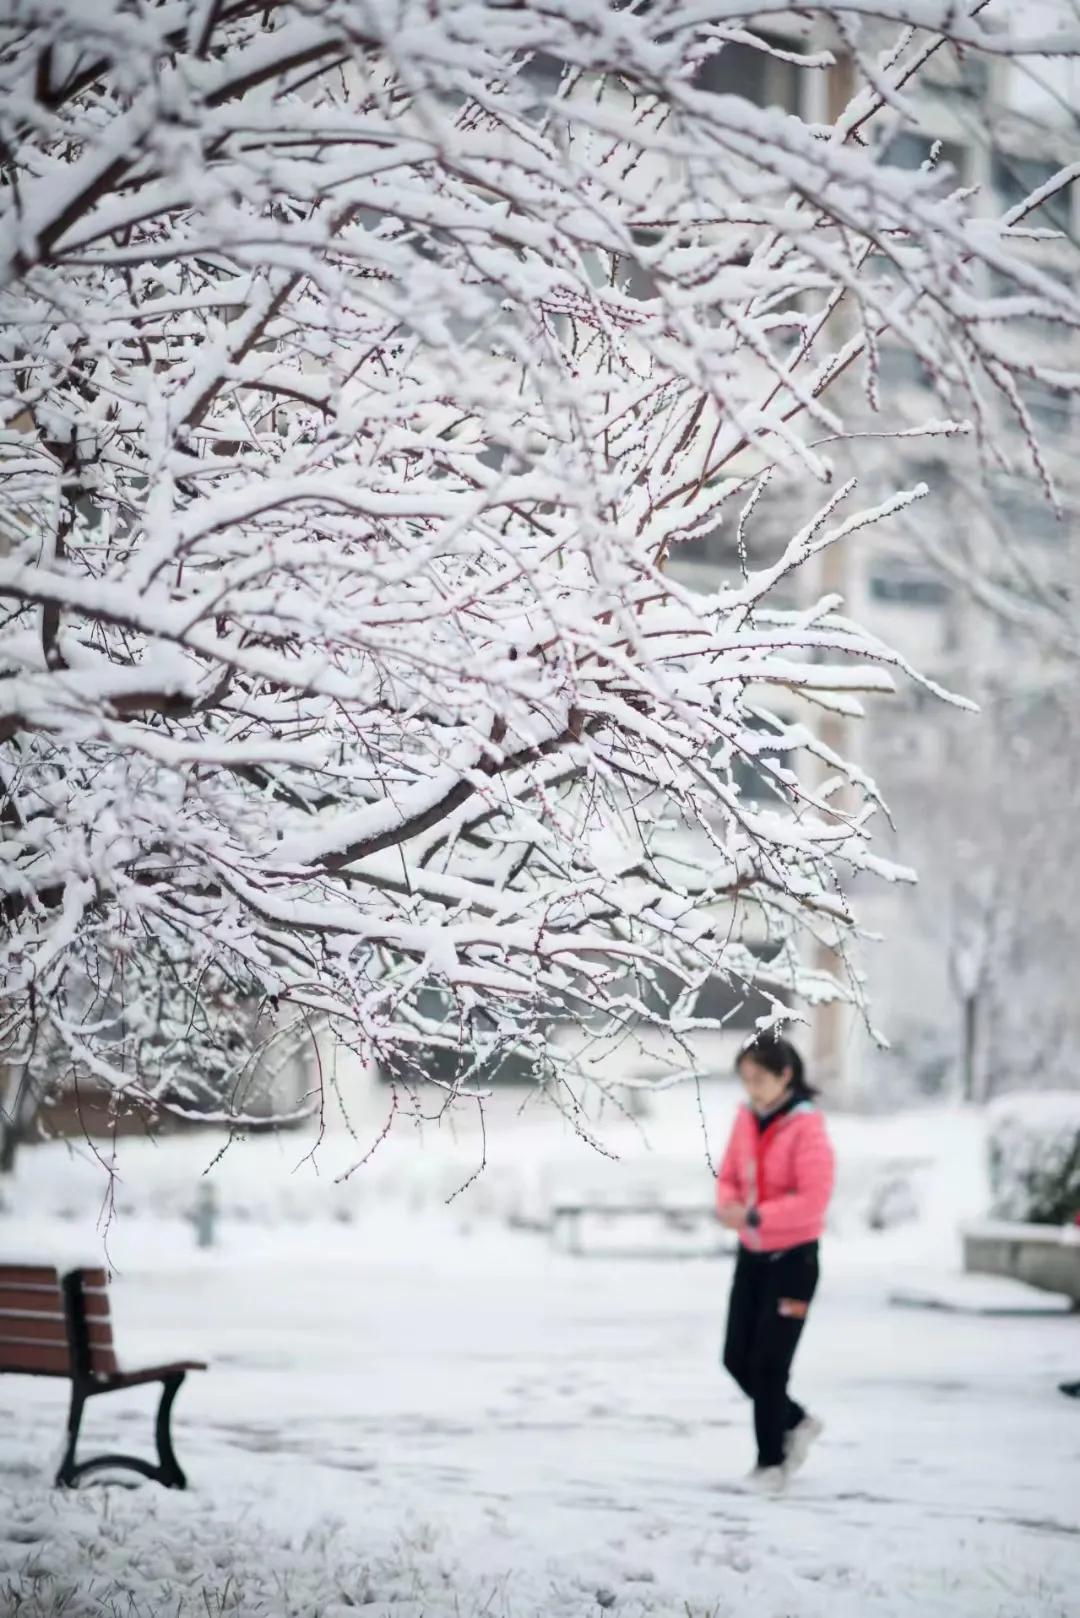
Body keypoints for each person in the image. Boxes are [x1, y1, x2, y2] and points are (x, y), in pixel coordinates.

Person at [716, 1032, 835, 1495]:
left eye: (759, 1078)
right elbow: (728, 1176)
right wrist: (729, 1206)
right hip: (753, 1253)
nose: (751, 1088)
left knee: (768, 1366)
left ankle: (771, 1463)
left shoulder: (808, 1127)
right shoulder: (746, 1119)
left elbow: (813, 1200)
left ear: (785, 1075)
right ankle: (797, 1420)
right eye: (745, 1079)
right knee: (735, 1358)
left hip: (794, 1260)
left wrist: (757, 1213)